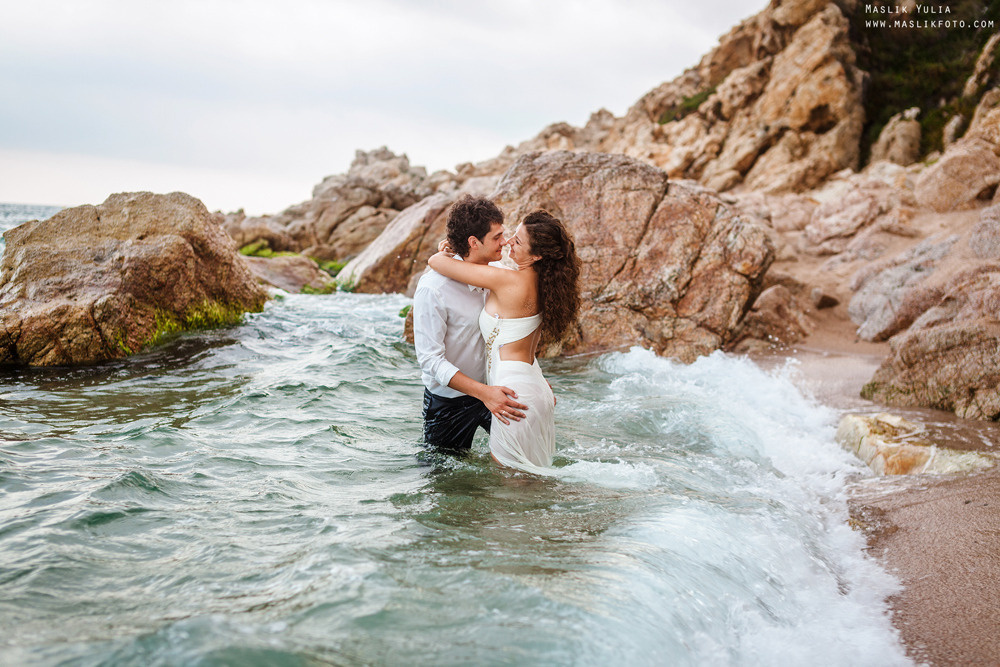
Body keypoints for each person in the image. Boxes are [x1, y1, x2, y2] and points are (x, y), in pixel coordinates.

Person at [428, 209, 581, 473]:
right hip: (533, 385)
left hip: (513, 395)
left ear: (536, 256)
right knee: (532, 481)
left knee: (512, 487)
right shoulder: (545, 283)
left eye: (518, 241)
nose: (509, 242)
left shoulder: (507, 280)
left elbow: (436, 263)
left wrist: (445, 251)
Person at [413, 195, 528, 456]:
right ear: (474, 243)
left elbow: (514, 333)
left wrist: (534, 381)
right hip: (448, 402)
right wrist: (483, 393)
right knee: (444, 481)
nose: (505, 241)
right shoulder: (433, 289)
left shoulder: (497, 270)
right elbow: (430, 360)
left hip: (499, 389)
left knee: (525, 467)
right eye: (497, 237)